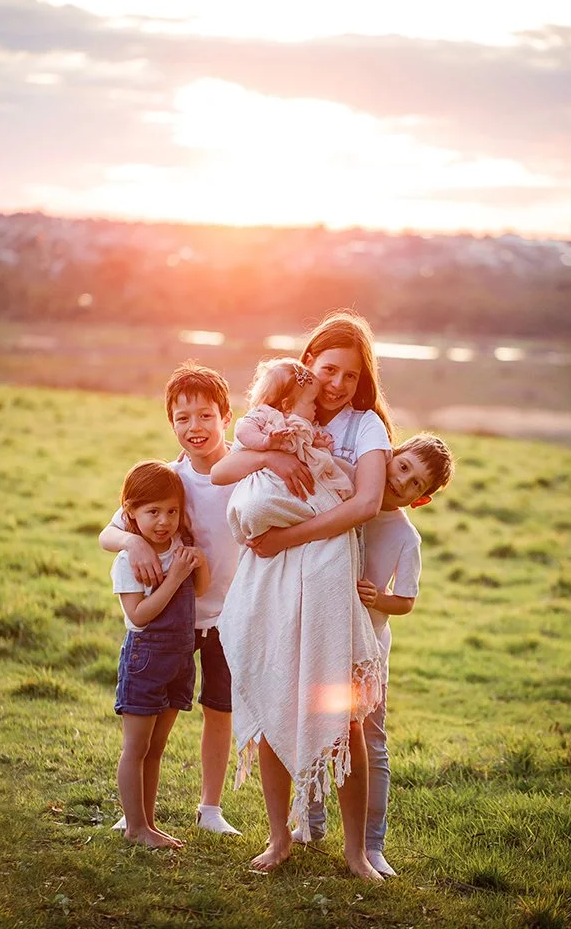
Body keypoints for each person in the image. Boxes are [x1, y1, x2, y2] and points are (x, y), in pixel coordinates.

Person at [212, 311, 393, 879]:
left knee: (345, 719)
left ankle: (356, 851)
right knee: (272, 692)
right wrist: (271, 456)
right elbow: (227, 468)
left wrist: (286, 535)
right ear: (309, 362)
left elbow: (363, 504)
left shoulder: (366, 427)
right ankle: (278, 837)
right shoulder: (280, 407)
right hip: (271, 579)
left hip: (325, 575)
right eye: (330, 370)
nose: (338, 384)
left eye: (351, 376)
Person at [293, 433, 456, 876]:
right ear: (389, 457)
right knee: (318, 728)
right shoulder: (349, 500)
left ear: (420, 500)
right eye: (403, 467)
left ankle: (371, 841)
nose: (402, 481)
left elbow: (406, 601)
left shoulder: (405, 536)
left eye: (415, 484)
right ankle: (309, 822)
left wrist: (377, 598)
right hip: (325, 640)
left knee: (369, 739)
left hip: (366, 652)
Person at [99, 363, 242, 837]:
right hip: (170, 620)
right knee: (155, 721)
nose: (194, 428)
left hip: (230, 614)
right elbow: (109, 532)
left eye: (205, 416)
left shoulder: (245, 470)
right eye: (183, 419)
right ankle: (136, 811)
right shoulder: (169, 480)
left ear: (226, 417)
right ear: (172, 424)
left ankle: (211, 808)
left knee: (219, 709)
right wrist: (132, 543)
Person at [112, 460, 210, 849]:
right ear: (131, 514)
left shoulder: (178, 548)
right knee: (135, 749)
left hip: (179, 660)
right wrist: (173, 577)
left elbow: (200, 590)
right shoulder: (129, 561)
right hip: (146, 660)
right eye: (152, 512)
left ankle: (147, 824)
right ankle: (134, 827)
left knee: (156, 749)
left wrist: (197, 564)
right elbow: (138, 616)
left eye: (171, 511)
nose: (163, 521)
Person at [234, 356, 354, 498]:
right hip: (267, 483)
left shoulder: (307, 426)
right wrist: (265, 442)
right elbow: (243, 430)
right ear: (288, 405)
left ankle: (333, 488)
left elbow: (311, 455)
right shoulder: (265, 413)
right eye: (312, 402)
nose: (316, 406)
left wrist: (319, 445)